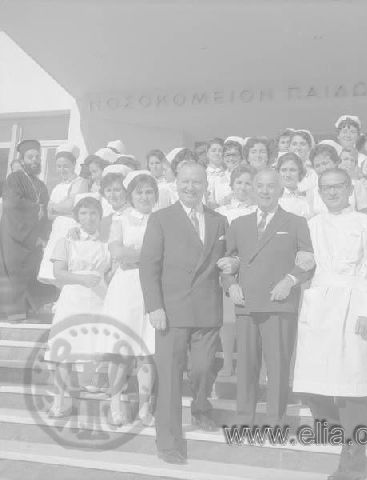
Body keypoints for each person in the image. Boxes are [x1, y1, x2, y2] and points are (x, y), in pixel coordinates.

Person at [293, 168, 367, 480]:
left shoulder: (366, 223)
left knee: (352, 389)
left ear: (349, 188)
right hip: (320, 308)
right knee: (313, 389)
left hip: (354, 306)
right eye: (326, 188)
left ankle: (354, 462)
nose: (332, 192)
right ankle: (345, 437)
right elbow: (301, 263)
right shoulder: (312, 225)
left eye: (338, 186)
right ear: (319, 192)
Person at [139, 162, 228, 464]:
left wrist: (234, 268)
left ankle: (201, 407)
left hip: (207, 310)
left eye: (197, 182)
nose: (191, 187)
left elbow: (227, 260)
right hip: (172, 312)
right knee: (170, 379)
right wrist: (154, 307)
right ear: (176, 183)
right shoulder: (161, 219)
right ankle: (168, 441)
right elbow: (148, 266)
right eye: (185, 182)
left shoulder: (219, 220)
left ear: (206, 185)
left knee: (204, 369)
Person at [221, 168, 314, 427]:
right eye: (259, 186)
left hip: (279, 305)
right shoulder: (239, 224)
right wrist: (230, 286)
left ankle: (276, 424)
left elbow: (308, 262)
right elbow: (228, 263)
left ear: (281, 190)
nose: (264, 191)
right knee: (246, 368)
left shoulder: (296, 223)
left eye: (271, 186)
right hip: (246, 305)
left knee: (278, 368)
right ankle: (243, 422)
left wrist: (290, 280)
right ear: (252, 189)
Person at [43, 194, 110, 417]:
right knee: (65, 350)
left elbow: (110, 273)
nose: (89, 218)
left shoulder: (106, 244)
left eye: (93, 213)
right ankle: (59, 400)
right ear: (76, 217)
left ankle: (100, 393)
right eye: (83, 213)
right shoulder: (66, 241)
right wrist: (82, 280)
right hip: (73, 298)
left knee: (97, 345)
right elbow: (58, 273)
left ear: (100, 217)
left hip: (100, 298)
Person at [101, 171, 158, 426]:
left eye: (149, 192)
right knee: (122, 349)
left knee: (147, 350)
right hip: (126, 288)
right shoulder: (121, 220)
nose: (144, 197)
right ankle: (115, 405)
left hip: (153, 288)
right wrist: (146, 256)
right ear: (130, 195)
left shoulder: (162, 220)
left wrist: (135, 254)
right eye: (139, 192)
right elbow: (118, 252)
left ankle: (145, 408)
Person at [0, 139, 55, 320]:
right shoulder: (14, 179)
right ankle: (14, 315)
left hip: (33, 238)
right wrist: (35, 209)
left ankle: (31, 313)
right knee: (14, 273)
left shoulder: (41, 185)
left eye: (37, 157)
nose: (35, 160)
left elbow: (46, 213)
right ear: (22, 160)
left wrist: (43, 235)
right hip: (14, 237)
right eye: (30, 157)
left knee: (33, 272)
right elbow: (11, 205)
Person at [216, 165, 257, 376]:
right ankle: (227, 363)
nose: (243, 187)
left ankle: (250, 365)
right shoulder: (222, 212)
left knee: (250, 318)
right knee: (228, 320)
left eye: (248, 183)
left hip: (251, 268)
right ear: (231, 185)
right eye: (239, 182)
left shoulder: (258, 210)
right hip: (228, 270)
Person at [38, 144, 88, 285]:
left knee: (67, 267)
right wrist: (61, 208)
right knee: (53, 269)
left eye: (65, 166)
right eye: (59, 166)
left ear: (73, 164)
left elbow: (72, 206)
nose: (62, 170)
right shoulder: (57, 186)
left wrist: (56, 207)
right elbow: (49, 214)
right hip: (57, 229)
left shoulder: (80, 182)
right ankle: (58, 302)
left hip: (70, 228)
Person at [339, 148, 367, 214]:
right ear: (338, 162)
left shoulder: (359, 183)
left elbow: (366, 209)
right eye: (346, 159)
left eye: (352, 160)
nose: (349, 163)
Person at [308, 143, 341, 216]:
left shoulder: (354, 185)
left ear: (336, 162)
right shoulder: (311, 192)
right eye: (317, 166)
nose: (322, 169)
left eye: (325, 163)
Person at [276, 152, 312, 218]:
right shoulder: (273, 198)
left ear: (300, 172)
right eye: (283, 170)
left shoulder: (308, 196)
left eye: (292, 170)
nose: (288, 175)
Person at [288, 130, 319, 196]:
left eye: (302, 144)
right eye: (294, 144)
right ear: (289, 147)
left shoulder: (315, 171)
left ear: (309, 147)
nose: (298, 148)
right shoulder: (279, 169)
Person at [206, 138, 231, 208]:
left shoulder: (229, 176)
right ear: (207, 153)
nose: (217, 153)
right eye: (213, 150)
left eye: (220, 151)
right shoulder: (201, 175)